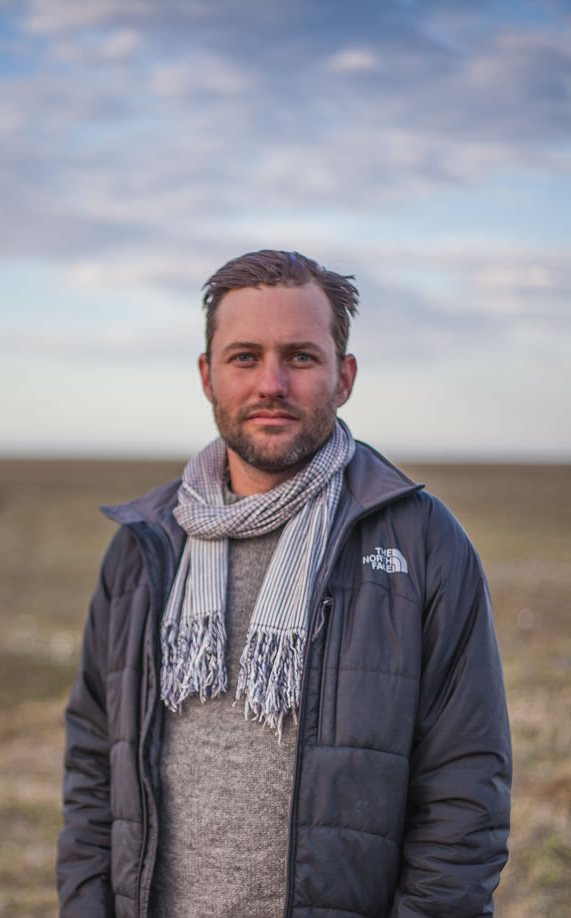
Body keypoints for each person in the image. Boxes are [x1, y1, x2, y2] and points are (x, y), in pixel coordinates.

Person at [56, 250, 512, 918]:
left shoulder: (422, 543)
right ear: (208, 376)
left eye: (300, 356)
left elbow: (466, 790)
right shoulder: (143, 547)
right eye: (244, 357)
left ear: (344, 376)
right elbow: (95, 768)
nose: (271, 383)